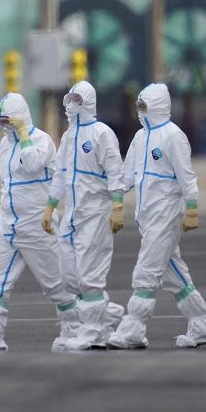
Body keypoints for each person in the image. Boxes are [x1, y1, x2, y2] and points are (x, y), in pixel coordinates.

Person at [0, 93, 80, 353]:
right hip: (7, 224)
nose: (5, 126)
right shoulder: (4, 146)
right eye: (1, 121)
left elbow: (33, 163)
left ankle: (76, 328)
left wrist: (24, 133)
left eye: (9, 120)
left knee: (56, 283)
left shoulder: (42, 141)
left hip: (37, 226)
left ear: (21, 118)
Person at [107, 83, 206, 350]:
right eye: (138, 106)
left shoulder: (173, 136)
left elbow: (187, 176)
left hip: (167, 213)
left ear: (157, 106)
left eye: (144, 106)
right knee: (173, 274)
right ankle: (203, 323)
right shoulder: (140, 137)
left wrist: (192, 209)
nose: (140, 111)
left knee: (145, 272)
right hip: (147, 215)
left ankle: (133, 329)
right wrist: (113, 201)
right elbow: (126, 176)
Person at [43, 80, 125, 351]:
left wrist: (117, 207)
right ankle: (104, 313)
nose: (71, 105)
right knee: (69, 276)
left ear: (87, 102)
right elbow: (60, 174)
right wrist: (50, 206)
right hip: (72, 215)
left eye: (77, 100)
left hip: (96, 214)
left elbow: (115, 171)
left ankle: (94, 332)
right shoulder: (69, 136)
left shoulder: (102, 134)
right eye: (69, 99)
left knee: (90, 275)